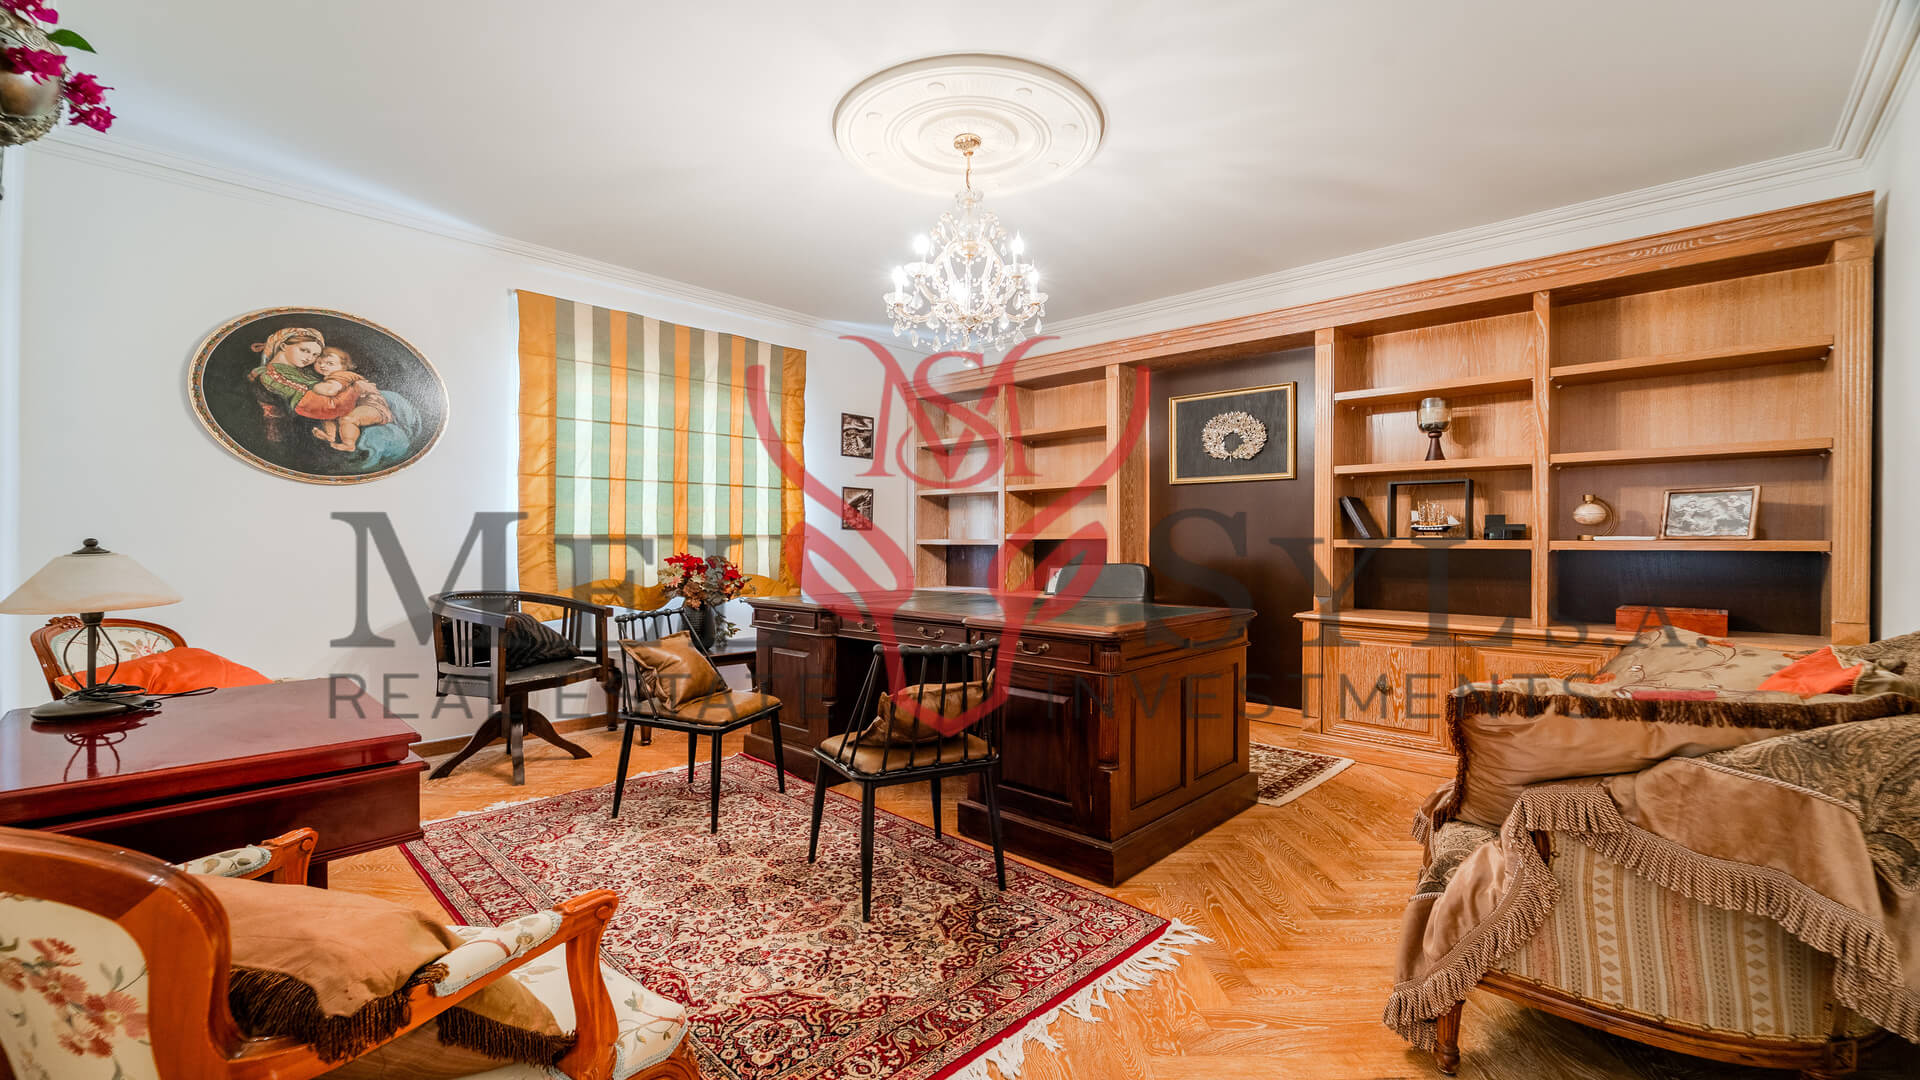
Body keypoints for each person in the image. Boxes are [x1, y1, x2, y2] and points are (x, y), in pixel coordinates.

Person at [301, 347, 394, 452]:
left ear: (343, 367)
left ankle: (349, 444)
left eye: (330, 363)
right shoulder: (330, 377)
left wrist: (310, 387)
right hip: (350, 407)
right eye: (319, 362)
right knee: (328, 417)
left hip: (372, 407)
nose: (322, 366)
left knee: (348, 419)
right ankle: (330, 436)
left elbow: (330, 390)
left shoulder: (343, 375)